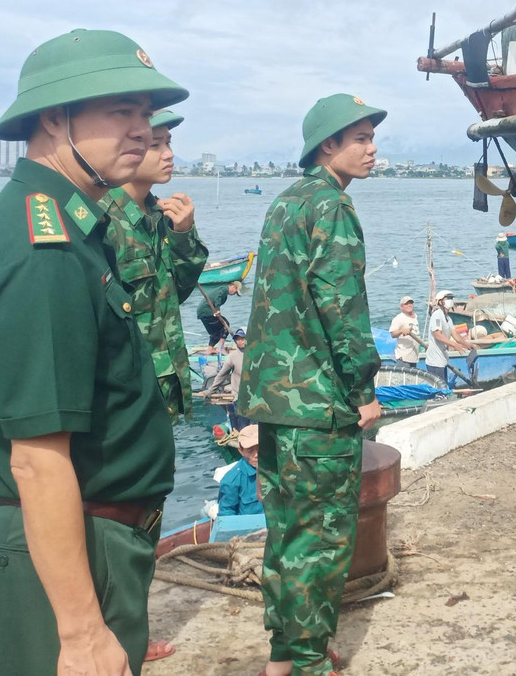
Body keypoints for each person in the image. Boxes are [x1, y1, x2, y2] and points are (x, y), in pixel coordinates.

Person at [0, 27, 186, 674]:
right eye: (121, 110)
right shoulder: (42, 245)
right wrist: (82, 630)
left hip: (94, 538)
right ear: (56, 117)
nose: (142, 128)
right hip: (68, 546)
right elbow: (35, 457)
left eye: (145, 112)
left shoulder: (74, 222)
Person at [238, 94, 385, 676]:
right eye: (361, 139)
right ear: (329, 146)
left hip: (274, 401)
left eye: (373, 138)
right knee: (320, 542)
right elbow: (343, 310)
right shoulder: (332, 207)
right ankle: (304, 665)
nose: (372, 150)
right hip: (317, 404)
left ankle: (288, 653)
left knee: (286, 534)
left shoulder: (285, 203)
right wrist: (363, 390)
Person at [100, 108, 208, 423]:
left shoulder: (159, 215)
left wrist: (183, 234)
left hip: (162, 392)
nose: (169, 155)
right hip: (125, 400)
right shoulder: (104, 220)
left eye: (168, 144)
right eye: (156, 145)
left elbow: (175, 294)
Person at [424, 290, 471, 384]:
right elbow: (438, 335)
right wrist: (454, 345)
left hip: (442, 359)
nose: (450, 300)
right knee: (438, 388)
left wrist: (468, 344)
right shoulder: (437, 315)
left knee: (443, 385)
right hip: (435, 360)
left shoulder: (448, 318)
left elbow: (455, 334)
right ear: (440, 302)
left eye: (451, 299)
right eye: (448, 299)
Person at [217, 424, 263, 517]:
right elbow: (226, 513)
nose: (256, 455)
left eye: (261, 449)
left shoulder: (278, 469)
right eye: (250, 450)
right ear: (240, 450)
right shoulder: (231, 480)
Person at [200, 327, 248, 399]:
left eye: (243, 338)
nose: (240, 341)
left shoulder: (258, 355)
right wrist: (210, 391)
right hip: (239, 396)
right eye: (238, 339)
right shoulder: (232, 357)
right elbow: (222, 375)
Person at [198, 279, 241, 345]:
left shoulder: (225, 295)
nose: (234, 294)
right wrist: (217, 310)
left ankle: (210, 349)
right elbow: (218, 297)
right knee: (225, 325)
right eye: (235, 292)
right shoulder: (223, 289)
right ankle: (221, 348)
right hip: (206, 311)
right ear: (232, 286)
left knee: (215, 332)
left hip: (202, 312)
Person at [389, 296, 421, 370]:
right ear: (401, 306)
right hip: (404, 357)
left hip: (414, 357)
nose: (409, 305)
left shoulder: (415, 316)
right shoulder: (399, 318)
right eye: (406, 304)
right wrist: (401, 331)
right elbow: (393, 334)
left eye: (411, 303)